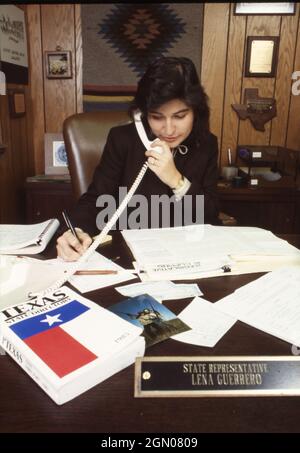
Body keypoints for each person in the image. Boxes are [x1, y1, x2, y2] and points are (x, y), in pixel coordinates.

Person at [56, 56, 220, 261]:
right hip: (128, 254)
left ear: (196, 112)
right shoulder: (122, 139)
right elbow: (97, 198)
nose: (168, 130)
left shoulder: (206, 144)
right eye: (157, 117)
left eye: (180, 116)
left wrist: (176, 181)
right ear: (143, 113)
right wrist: (75, 231)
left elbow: (210, 214)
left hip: (187, 254)